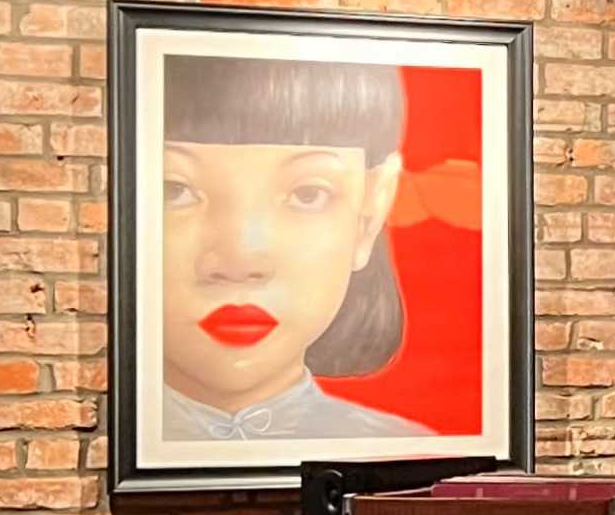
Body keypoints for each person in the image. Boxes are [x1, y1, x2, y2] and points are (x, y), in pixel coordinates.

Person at [154, 49, 420, 441]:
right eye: (174, 190)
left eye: (308, 194)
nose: (240, 261)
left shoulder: (410, 453)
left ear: (370, 214)